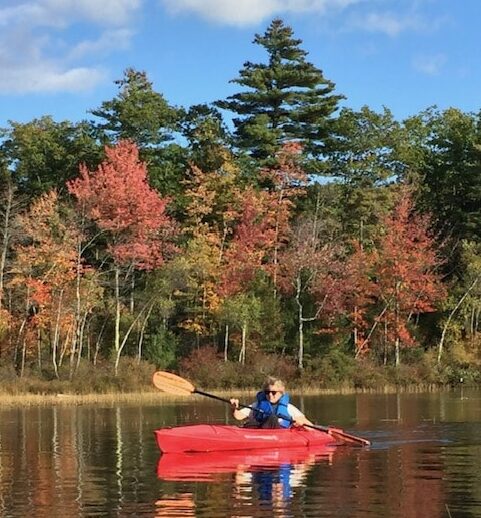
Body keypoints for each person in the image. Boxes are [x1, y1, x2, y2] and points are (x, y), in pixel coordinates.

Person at [230, 376, 313, 429]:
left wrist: (301, 424)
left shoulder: (289, 408)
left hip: (278, 436)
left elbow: (311, 427)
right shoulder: (257, 405)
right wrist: (234, 408)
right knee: (252, 423)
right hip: (257, 433)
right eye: (267, 392)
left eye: (273, 392)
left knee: (272, 418)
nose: (270, 395)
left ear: (281, 393)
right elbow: (238, 416)